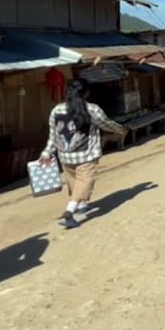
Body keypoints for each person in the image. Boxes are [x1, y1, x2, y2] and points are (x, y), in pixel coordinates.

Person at [38, 79, 127, 229]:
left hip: (65, 156)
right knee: (85, 182)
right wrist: (121, 129)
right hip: (87, 155)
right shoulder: (92, 109)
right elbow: (106, 124)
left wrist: (47, 152)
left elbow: (54, 135)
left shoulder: (57, 110)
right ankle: (69, 211)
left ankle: (82, 205)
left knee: (74, 183)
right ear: (86, 93)